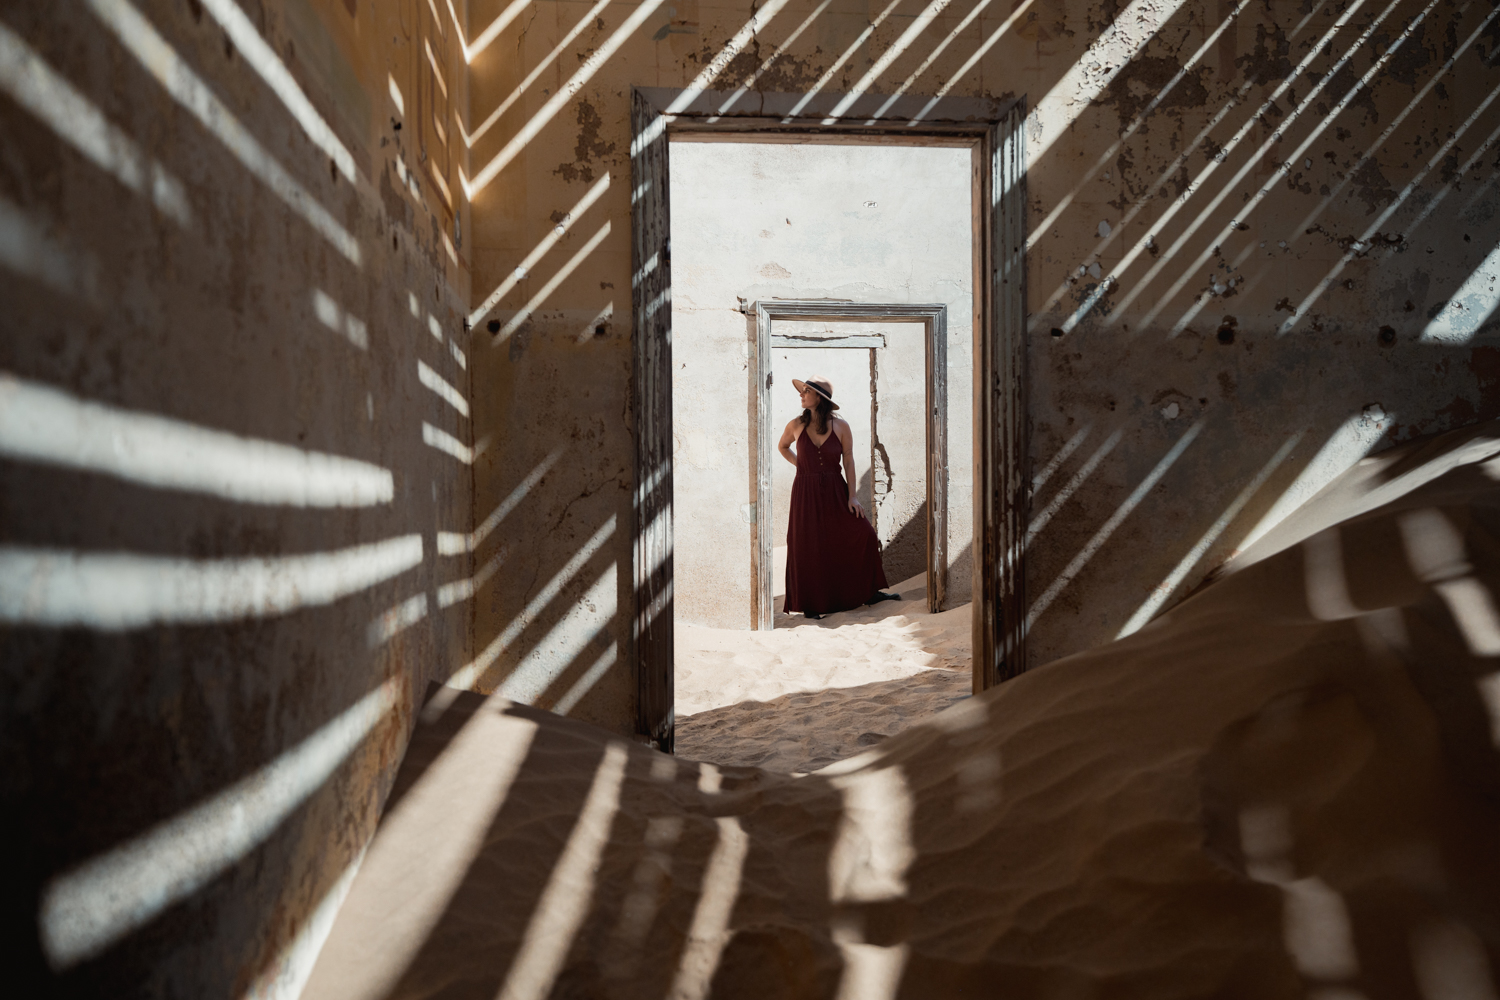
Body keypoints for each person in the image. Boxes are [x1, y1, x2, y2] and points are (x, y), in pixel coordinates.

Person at [778, 376, 901, 620]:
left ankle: (869, 592)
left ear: (819, 398)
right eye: (802, 391)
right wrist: (801, 466)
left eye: (806, 391)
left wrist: (852, 497)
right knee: (808, 544)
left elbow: (849, 460)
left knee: (863, 533)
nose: (801, 395)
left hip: (836, 488)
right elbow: (782, 447)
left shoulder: (841, 426)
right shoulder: (795, 425)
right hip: (805, 491)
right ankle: (811, 604)